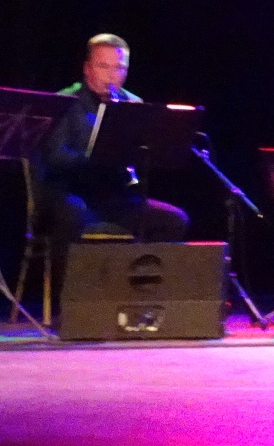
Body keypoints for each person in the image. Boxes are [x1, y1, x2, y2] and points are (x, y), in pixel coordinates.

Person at [40, 33, 190, 306]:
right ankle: (70, 307)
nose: (112, 75)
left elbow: (147, 155)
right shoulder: (64, 101)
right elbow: (55, 156)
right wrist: (97, 159)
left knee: (173, 220)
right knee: (72, 215)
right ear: (87, 68)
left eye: (119, 68)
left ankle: (142, 300)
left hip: (113, 195)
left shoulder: (133, 104)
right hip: (69, 191)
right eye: (103, 66)